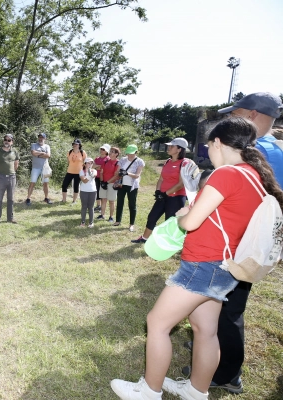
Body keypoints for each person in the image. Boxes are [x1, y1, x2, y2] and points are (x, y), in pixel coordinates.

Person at [111, 117, 283, 400]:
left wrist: (182, 216)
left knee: (157, 323)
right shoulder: (255, 176)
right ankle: (195, 390)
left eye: (209, 146)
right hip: (226, 266)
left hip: (203, 263)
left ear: (218, 143)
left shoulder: (227, 174)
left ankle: (149, 391)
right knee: (205, 330)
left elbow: (191, 222)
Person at [179, 92, 283, 393]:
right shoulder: (264, 150)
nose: (227, 120)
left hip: (235, 250)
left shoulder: (257, 152)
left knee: (229, 310)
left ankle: (225, 372)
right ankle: (209, 351)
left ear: (250, 115)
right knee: (218, 312)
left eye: (233, 113)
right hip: (243, 245)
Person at [132, 138, 189, 244]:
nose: (169, 148)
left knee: (170, 221)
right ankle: (145, 238)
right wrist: (158, 191)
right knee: (152, 216)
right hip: (163, 196)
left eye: (172, 146)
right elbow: (161, 178)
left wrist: (165, 194)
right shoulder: (167, 161)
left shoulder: (184, 163)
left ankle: (170, 243)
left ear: (179, 149)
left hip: (176, 197)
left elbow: (181, 184)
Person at [219, 92, 283, 187]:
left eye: (234, 114)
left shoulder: (254, 150)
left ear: (252, 115)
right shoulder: (275, 146)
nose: (229, 118)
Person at [114, 144, 145, 232]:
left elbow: (137, 175)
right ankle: (117, 220)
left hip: (132, 186)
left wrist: (127, 173)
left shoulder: (140, 161)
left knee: (132, 204)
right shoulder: (123, 160)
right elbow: (117, 171)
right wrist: (119, 173)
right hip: (121, 184)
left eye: (131, 153)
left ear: (136, 152)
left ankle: (131, 224)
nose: (129, 155)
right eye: (128, 153)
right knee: (119, 203)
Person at [0, 134, 20, 224]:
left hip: (12, 177)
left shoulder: (15, 151)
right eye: (5, 139)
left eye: (9, 140)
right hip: (1, 177)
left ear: (12, 142)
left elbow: (16, 164)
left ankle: (10, 218)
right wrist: (1, 172)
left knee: (11, 199)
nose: (7, 141)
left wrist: (11, 173)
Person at [26, 133, 52, 205]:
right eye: (39, 137)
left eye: (42, 138)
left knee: (45, 183)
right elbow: (33, 153)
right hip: (35, 168)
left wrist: (38, 155)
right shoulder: (34, 145)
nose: (40, 139)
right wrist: (43, 153)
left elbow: (48, 155)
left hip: (45, 168)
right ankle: (28, 198)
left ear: (45, 139)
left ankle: (46, 198)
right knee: (32, 183)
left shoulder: (47, 146)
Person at [97, 146, 120, 222]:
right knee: (103, 199)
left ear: (116, 154)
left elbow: (116, 175)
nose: (110, 153)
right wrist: (102, 181)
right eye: (110, 151)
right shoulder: (106, 161)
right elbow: (101, 172)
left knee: (111, 201)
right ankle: (102, 215)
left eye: (112, 152)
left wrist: (107, 182)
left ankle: (111, 217)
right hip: (103, 183)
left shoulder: (118, 163)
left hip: (111, 184)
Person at [61, 139, 86, 203]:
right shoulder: (69, 152)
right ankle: (64, 200)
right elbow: (68, 161)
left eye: (76, 144)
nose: (75, 145)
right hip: (70, 171)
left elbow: (85, 163)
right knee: (64, 185)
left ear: (79, 145)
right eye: (74, 144)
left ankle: (74, 201)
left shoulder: (82, 152)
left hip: (78, 172)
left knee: (76, 186)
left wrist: (84, 172)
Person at [78, 157, 97, 227]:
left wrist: (90, 173)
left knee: (91, 207)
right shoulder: (81, 171)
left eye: (91, 163)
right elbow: (84, 181)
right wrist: (89, 176)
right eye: (88, 163)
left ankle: (91, 222)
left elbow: (94, 174)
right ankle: (83, 222)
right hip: (84, 191)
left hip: (92, 191)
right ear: (85, 164)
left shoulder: (94, 170)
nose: (90, 164)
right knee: (84, 206)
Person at [93, 144, 111, 211]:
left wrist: (97, 166)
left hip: (103, 178)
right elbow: (92, 166)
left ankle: (103, 206)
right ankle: (98, 205)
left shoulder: (108, 159)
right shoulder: (97, 158)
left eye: (103, 149)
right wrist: (98, 166)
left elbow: (104, 168)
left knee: (102, 192)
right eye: (101, 149)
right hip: (96, 177)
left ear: (107, 151)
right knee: (97, 191)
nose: (102, 151)